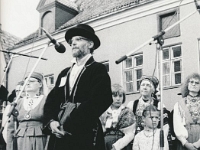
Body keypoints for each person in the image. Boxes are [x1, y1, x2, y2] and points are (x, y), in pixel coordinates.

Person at [42, 24, 113, 150]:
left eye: (78, 39)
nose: (73, 43)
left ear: (90, 44)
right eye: (71, 41)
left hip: (84, 133)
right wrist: (52, 122)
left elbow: (101, 100)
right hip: (58, 134)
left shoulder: (97, 69)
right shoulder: (64, 73)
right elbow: (51, 101)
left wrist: (68, 124)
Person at [6, 72, 48, 150]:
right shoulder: (18, 103)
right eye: (26, 81)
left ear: (40, 84)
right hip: (21, 141)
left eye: (31, 81)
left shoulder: (47, 101)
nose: (27, 83)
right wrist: (10, 147)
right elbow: (11, 128)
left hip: (40, 141)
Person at [100, 84, 135, 150]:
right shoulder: (104, 112)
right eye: (115, 96)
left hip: (122, 144)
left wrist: (116, 147)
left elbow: (130, 134)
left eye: (120, 96)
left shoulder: (127, 112)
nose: (118, 99)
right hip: (105, 144)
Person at [173, 73, 200, 150]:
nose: (194, 84)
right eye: (191, 82)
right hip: (185, 140)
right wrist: (185, 143)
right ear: (187, 84)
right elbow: (177, 124)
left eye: (197, 83)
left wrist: (198, 144)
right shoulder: (179, 104)